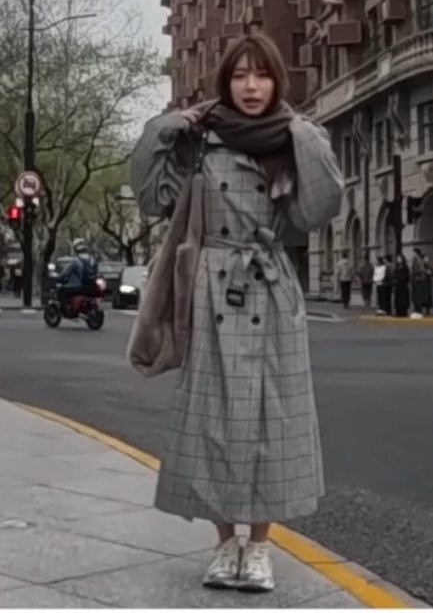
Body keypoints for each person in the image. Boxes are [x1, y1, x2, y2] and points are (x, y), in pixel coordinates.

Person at [130, 33, 343, 592]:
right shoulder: (199, 140)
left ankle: (261, 546)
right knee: (212, 418)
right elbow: (151, 197)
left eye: (262, 75)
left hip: (270, 288)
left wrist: (306, 137)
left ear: (277, 82)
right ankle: (225, 544)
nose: (251, 87)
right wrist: (163, 127)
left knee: (274, 419)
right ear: (225, 82)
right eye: (240, 75)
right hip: (211, 288)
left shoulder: (293, 138)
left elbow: (319, 209)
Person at [57, 239, 98, 309]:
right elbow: (96, 271)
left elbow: (65, 273)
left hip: (78, 287)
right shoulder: (92, 259)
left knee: (61, 292)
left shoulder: (76, 261)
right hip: (92, 287)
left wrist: (59, 278)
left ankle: (67, 308)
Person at [411, 248, 424, 317]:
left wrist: (418, 278)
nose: (412, 254)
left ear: (417, 253)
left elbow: (421, 271)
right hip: (414, 281)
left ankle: (419, 311)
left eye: (414, 253)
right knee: (414, 297)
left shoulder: (419, 261)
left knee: (417, 297)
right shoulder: (414, 261)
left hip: (417, 282)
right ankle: (416, 311)